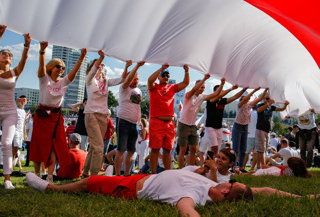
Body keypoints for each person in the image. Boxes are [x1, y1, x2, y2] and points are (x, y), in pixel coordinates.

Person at [26, 168, 253, 217]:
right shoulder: (211, 182)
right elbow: (265, 189)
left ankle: (50, 188)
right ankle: (111, 172)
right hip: (141, 177)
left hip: (131, 189)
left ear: (225, 193)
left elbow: (187, 211)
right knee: (105, 177)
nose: (230, 181)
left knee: (91, 182)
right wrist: (290, 196)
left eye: (231, 184)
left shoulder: (194, 196)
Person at [30, 42, 86, 183]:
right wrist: (42, 52)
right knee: (37, 145)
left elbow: (73, 75)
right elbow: (41, 68)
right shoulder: (44, 80)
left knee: (54, 146)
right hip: (42, 115)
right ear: (51, 68)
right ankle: (37, 175)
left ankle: (50, 176)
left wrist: (81, 58)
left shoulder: (63, 82)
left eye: (63, 68)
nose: (61, 69)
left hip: (55, 117)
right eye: (58, 67)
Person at [82, 51, 131, 178]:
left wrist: (126, 67)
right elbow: (93, 71)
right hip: (91, 114)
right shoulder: (89, 80)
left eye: (103, 65)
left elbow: (121, 79)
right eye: (99, 65)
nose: (101, 66)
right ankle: (94, 176)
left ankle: (85, 173)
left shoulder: (105, 81)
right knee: (99, 147)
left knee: (94, 146)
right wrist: (101, 57)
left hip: (103, 116)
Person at [0, 25, 30, 189]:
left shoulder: (13, 73)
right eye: (4, 53)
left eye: (10, 54)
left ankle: (7, 180)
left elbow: (24, 61)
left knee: (6, 144)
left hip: (9, 112)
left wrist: (26, 46)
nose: (8, 56)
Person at [148, 64, 189, 173]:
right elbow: (149, 80)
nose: (166, 77)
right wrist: (161, 68)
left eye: (167, 75)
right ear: (159, 77)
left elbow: (185, 83)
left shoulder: (172, 88)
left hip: (169, 124)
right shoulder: (154, 87)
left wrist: (186, 71)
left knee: (167, 150)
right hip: (156, 122)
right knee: (155, 149)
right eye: (163, 75)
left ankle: (167, 174)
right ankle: (153, 174)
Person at [177, 75, 224, 169]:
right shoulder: (189, 95)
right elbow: (194, 90)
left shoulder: (202, 97)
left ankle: (190, 168)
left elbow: (215, 95)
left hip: (192, 126)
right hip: (183, 124)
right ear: (196, 86)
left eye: (204, 87)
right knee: (183, 149)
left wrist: (222, 84)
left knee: (193, 149)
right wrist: (204, 79)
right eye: (201, 87)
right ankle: (180, 169)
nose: (202, 89)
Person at [199, 84, 247, 163]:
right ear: (215, 92)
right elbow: (218, 96)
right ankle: (210, 166)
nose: (221, 92)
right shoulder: (210, 99)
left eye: (222, 90)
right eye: (219, 90)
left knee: (216, 149)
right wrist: (231, 89)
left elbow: (234, 97)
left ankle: (211, 165)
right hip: (210, 127)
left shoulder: (223, 101)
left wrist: (243, 90)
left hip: (219, 127)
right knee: (214, 148)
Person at [114, 61, 145, 176]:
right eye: (133, 79)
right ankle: (117, 174)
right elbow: (127, 80)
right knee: (121, 149)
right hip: (123, 121)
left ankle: (127, 174)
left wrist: (139, 121)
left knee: (132, 150)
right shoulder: (124, 88)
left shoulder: (139, 91)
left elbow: (138, 107)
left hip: (133, 124)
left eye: (137, 79)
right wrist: (136, 66)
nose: (135, 81)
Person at [232, 88, 268, 172]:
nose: (248, 99)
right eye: (246, 97)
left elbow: (259, 99)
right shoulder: (239, 104)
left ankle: (241, 167)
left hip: (245, 127)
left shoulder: (249, 105)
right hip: (237, 126)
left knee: (243, 149)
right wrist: (254, 91)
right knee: (235, 149)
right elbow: (243, 101)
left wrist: (265, 91)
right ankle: (233, 167)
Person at [255, 94, 289, 168]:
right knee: (261, 149)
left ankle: (259, 166)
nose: (269, 100)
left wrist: (285, 105)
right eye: (267, 98)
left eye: (269, 99)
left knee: (263, 149)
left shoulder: (271, 107)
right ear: (263, 99)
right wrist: (268, 104)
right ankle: (263, 165)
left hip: (267, 130)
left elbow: (281, 109)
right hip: (260, 129)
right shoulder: (260, 105)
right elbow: (259, 110)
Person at [236, 157, 311, 178]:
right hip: (277, 169)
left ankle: (240, 174)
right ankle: (241, 173)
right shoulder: (291, 167)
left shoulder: (294, 174)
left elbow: (284, 175)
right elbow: (281, 166)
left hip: (277, 172)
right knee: (260, 169)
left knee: (256, 173)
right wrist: (269, 167)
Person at [12, 95, 28, 169]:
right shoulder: (15, 109)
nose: (23, 102)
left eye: (24, 100)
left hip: (21, 132)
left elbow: (24, 123)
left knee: (16, 150)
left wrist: (25, 134)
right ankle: (10, 166)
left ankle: (11, 165)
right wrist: (16, 103)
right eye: (22, 100)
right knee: (13, 148)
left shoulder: (24, 111)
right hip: (15, 131)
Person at [243, 106, 258, 171]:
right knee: (255, 153)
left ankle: (243, 167)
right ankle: (252, 168)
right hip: (257, 135)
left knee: (246, 152)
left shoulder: (249, 113)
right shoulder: (259, 114)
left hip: (249, 135)